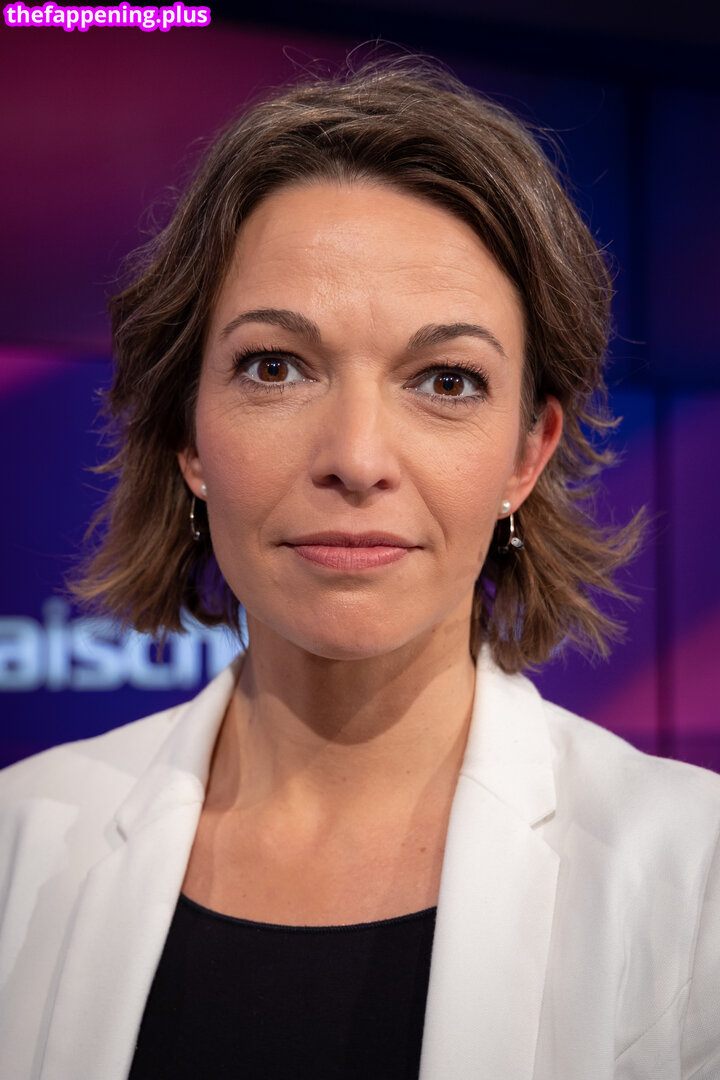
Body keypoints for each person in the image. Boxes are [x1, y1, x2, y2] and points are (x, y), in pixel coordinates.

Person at [1, 55, 719, 1080]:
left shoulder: (697, 880)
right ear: (189, 435)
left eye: (446, 380)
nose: (357, 457)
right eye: (275, 367)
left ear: (528, 453)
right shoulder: (17, 842)